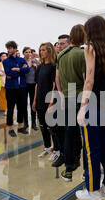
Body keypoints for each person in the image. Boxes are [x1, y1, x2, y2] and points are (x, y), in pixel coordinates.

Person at [75, 15, 105, 200]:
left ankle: (92, 190)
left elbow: (89, 80)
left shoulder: (90, 48)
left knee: (91, 149)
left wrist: (82, 107)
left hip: (93, 104)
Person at [56, 24, 87, 182]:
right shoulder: (82, 55)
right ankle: (86, 170)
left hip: (67, 97)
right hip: (80, 97)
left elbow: (58, 78)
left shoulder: (61, 55)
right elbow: (85, 79)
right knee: (85, 135)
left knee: (69, 133)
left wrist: (61, 96)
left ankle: (69, 167)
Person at [33, 43, 58, 158]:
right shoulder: (39, 67)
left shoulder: (53, 66)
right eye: (40, 50)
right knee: (42, 126)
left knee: (52, 127)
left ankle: (57, 150)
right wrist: (34, 101)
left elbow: (54, 85)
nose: (41, 52)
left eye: (43, 50)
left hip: (49, 101)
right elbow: (37, 85)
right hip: (39, 100)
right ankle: (47, 147)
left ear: (49, 51)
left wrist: (51, 102)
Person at [50, 34, 70, 166]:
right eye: (58, 44)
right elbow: (55, 82)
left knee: (68, 129)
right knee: (58, 127)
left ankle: (69, 155)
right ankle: (62, 153)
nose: (59, 46)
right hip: (59, 95)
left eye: (62, 44)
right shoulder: (58, 60)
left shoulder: (70, 58)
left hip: (70, 95)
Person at [3, 41, 30, 137]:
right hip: (11, 88)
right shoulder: (6, 61)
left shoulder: (21, 60)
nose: (9, 50)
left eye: (10, 48)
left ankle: (20, 127)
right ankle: (10, 128)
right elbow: (9, 73)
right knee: (10, 108)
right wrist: (20, 71)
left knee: (21, 107)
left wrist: (17, 69)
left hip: (21, 87)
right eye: (8, 48)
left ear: (15, 49)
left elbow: (27, 70)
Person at [23, 47, 38, 131]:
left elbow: (39, 72)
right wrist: (29, 65)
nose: (28, 53)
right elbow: (23, 71)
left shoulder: (35, 61)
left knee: (33, 104)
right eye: (26, 52)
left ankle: (33, 123)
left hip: (33, 84)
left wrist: (36, 67)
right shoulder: (22, 61)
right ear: (23, 53)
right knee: (24, 104)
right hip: (24, 85)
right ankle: (26, 123)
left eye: (30, 52)